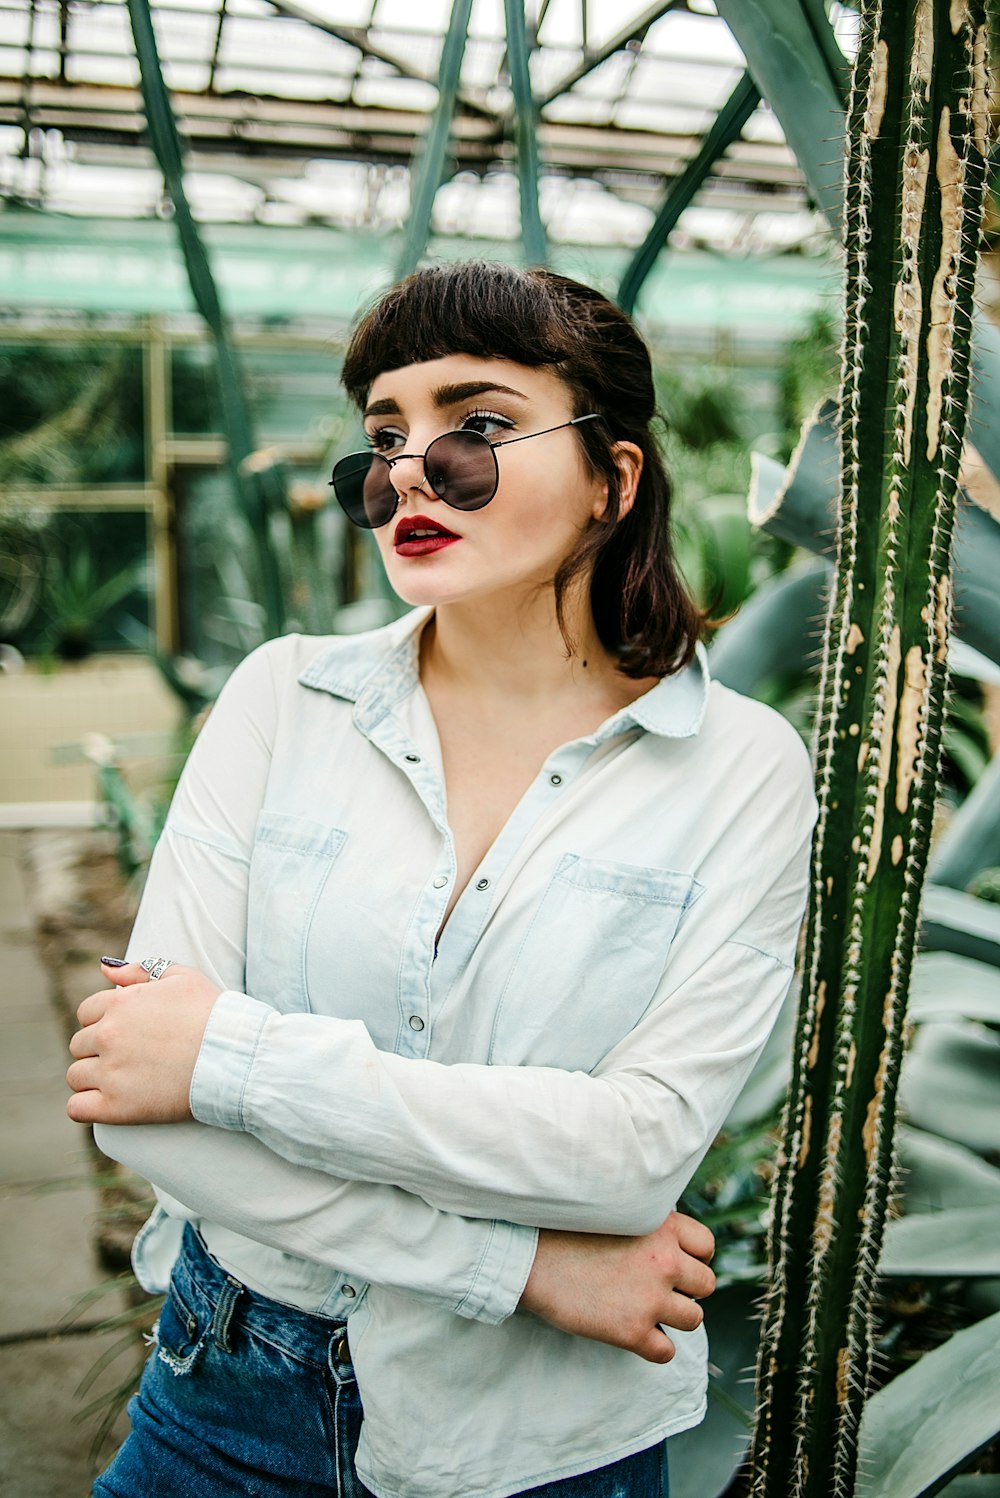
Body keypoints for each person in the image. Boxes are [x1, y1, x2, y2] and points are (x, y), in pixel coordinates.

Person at [67, 260, 818, 1498]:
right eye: (384, 436)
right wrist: (521, 1267)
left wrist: (230, 1055)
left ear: (611, 480)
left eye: (476, 425)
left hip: (537, 1439)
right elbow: (147, 1113)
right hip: (225, 1390)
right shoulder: (281, 699)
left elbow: (631, 1154)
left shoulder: (740, 768)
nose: (411, 468)